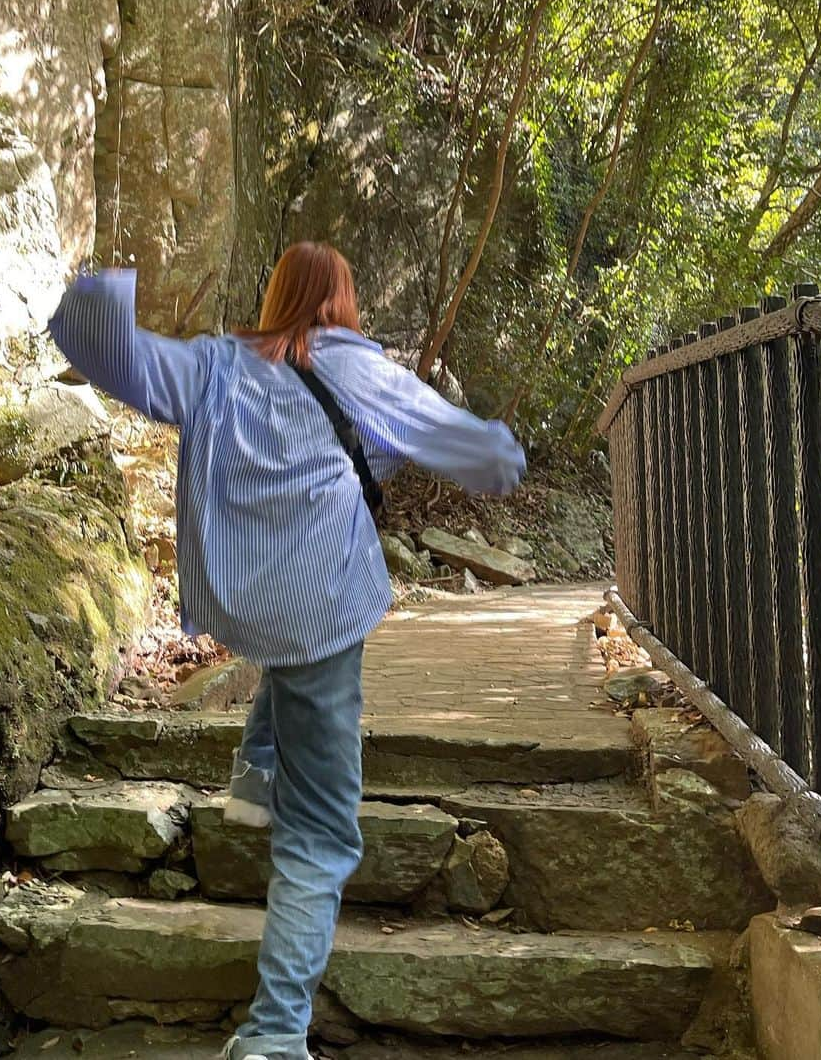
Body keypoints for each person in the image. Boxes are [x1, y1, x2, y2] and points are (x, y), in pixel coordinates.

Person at [48, 241, 525, 1060]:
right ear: (343, 303)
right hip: (320, 601)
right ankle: (274, 1034)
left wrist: (105, 285)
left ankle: (257, 769)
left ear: (276, 299)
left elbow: (93, 339)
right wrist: (505, 453)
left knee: (291, 660)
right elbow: (481, 453)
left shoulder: (213, 369)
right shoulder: (363, 373)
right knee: (322, 835)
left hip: (242, 595)